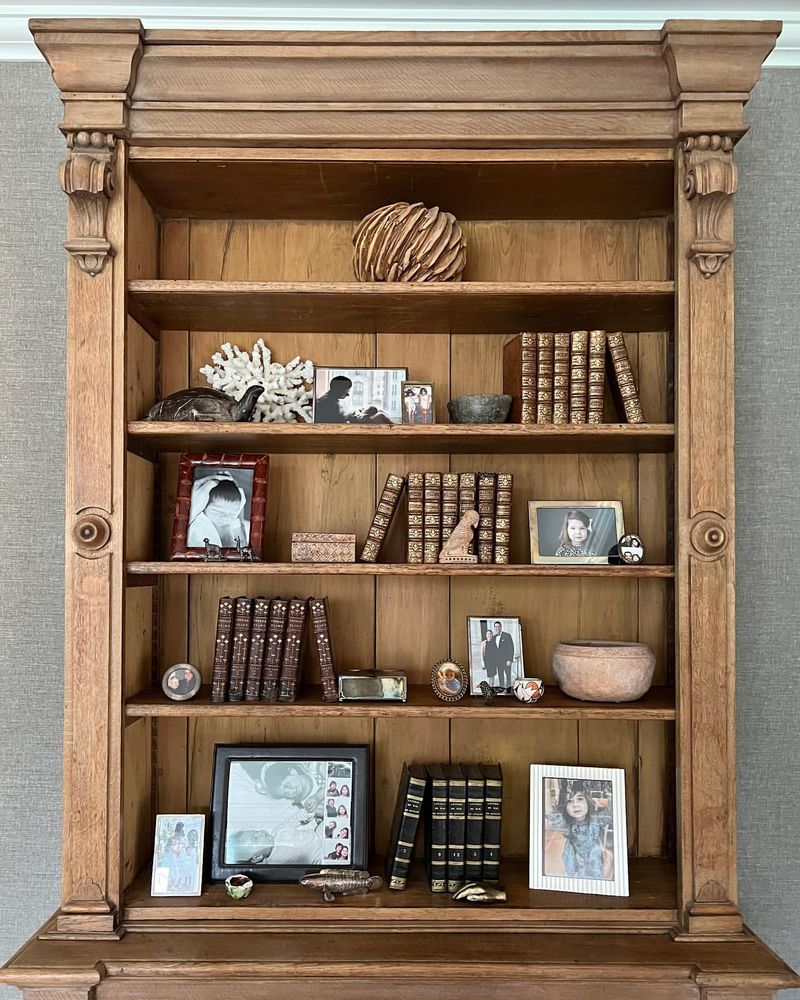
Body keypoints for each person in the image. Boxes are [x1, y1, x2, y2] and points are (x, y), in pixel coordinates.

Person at [546, 779, 611, 880]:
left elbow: (611, 813)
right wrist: (546, 785)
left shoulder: (595, 820)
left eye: (580, 799)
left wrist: (608, 795)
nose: (575, 804)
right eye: (569, 801)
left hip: (594, 863)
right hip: (573, 862)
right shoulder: (567, 824)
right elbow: (548, 811)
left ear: (588, 801)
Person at [187, 472, 249, 548]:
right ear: (204, 505)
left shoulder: (235, 522)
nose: (224, 517)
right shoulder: (196, 519)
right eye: (217, 511)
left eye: (231, 514)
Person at [483, 620, 515, 691]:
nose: (497, 628)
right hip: (498, 662)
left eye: (498, 626)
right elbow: (490, 649)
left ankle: (509, 690)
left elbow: (511, 648)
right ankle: (502, 689)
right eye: (496, 627)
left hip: (506, 660)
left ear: (501, 627)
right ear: (494, 628)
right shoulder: (494, 637)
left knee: (508, 676)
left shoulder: (507, 635)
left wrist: (510, 659)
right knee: (500, 676)